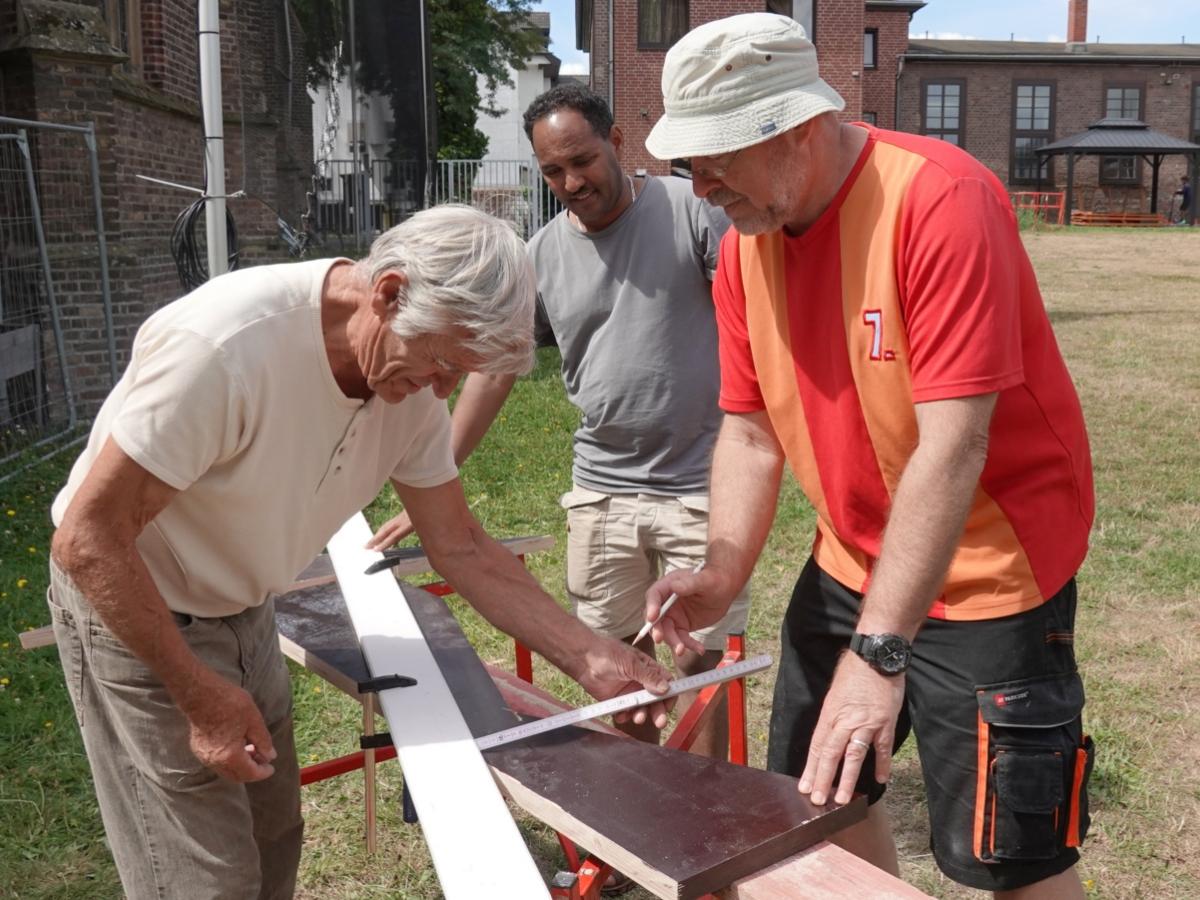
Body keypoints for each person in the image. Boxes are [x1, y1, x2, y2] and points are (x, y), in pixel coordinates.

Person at [47, 204, 673, 900]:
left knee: (273, 838)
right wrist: (197, 693)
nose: (442, 392)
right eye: (442, 363)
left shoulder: (407, 380)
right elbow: (88, 538)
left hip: (242, 605)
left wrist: (594, 657)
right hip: (139, 606)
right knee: (204, 881)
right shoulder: (226, 348)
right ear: (389, 292)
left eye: (458, 375)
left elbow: (460, 545)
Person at [642, 14, 1095, 900]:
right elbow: (748, 429)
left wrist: (879, 655)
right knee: (819, 797)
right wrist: (722, 571)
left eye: (718, 156)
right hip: (850, 556)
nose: (700, 186)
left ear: (802, 129)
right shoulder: (744, 249)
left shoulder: (940, 201)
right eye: (687, 161)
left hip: (990, 572)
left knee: (1010, 858)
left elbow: (954, 445)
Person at [369, 85, 749, 762]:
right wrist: (438, 475)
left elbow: (761, 328)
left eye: (582, 160)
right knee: (614, 664)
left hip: (705, 482)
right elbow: (495, 369)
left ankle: (709, 833)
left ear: (618, 144)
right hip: (602, 491)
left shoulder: (693, 214)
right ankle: (640, 815)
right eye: (553, 172)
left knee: (699, 668)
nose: (572, 182)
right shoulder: (539, 256)